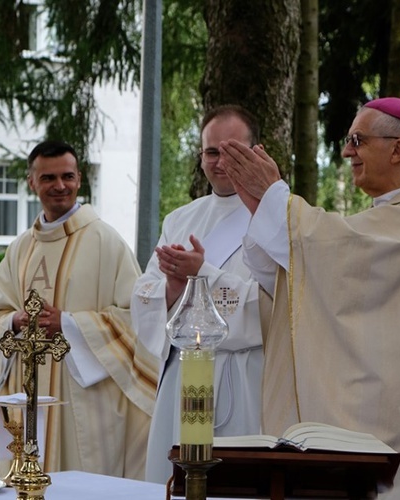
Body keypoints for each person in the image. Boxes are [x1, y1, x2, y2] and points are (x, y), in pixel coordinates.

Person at [220, 97, 400, 484]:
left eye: (357, 139)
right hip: (368, 420)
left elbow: (341, 255)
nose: (347, 150)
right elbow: (318, 278)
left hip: (397, 426)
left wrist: (275, 204)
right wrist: (262, 208)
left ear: (397, 149)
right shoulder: (383, 217)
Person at [0, 140, 157, 480]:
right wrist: (14, 321)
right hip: (28, 389)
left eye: (67, 176)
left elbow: (137, 318)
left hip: (84, 399)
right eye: (48, 178)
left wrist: (70, 324)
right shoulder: (20, 249)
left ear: (79, 179)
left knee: (80, 482)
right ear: (32, 182)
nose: (59, 186)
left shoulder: (107, 242)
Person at [132, 105, 268, 483]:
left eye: (232, 150)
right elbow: (144, 292)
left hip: (240, 377)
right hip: (182, 377)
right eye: (211, 151)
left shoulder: (275, 219)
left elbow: (271, 306)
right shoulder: (180, 219)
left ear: (257, 151)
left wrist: (201, 275)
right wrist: (172, 291)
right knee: (173, 480)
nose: (220, 161)